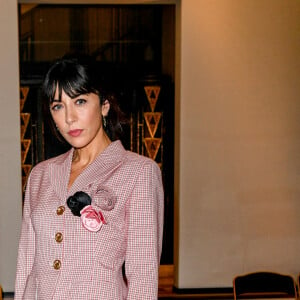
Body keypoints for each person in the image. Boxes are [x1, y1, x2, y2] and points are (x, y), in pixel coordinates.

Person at [14, 55, 164, 300]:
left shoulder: (138, 172)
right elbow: (26, 262)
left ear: (105, 104)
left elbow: (143, 276)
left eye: (80, 101)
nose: (69, 117)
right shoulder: (40, 174)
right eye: (58, 106)